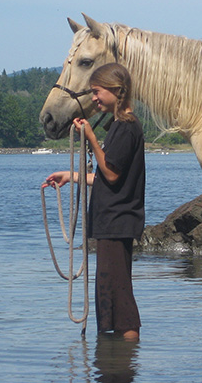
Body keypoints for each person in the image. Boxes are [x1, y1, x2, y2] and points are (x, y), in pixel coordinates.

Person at [43, 63, 145, 341]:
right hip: (111, 223)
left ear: (115, 90)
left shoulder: (125, 127)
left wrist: (91, 138)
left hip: (117, 222)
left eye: (97, 92)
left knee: (119, 296)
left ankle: (124, 366)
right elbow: (108, 175)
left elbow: (110, 173)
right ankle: (114, 364)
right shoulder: (119, 127)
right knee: (108, 294)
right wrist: (72, 176)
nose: (94, 98)